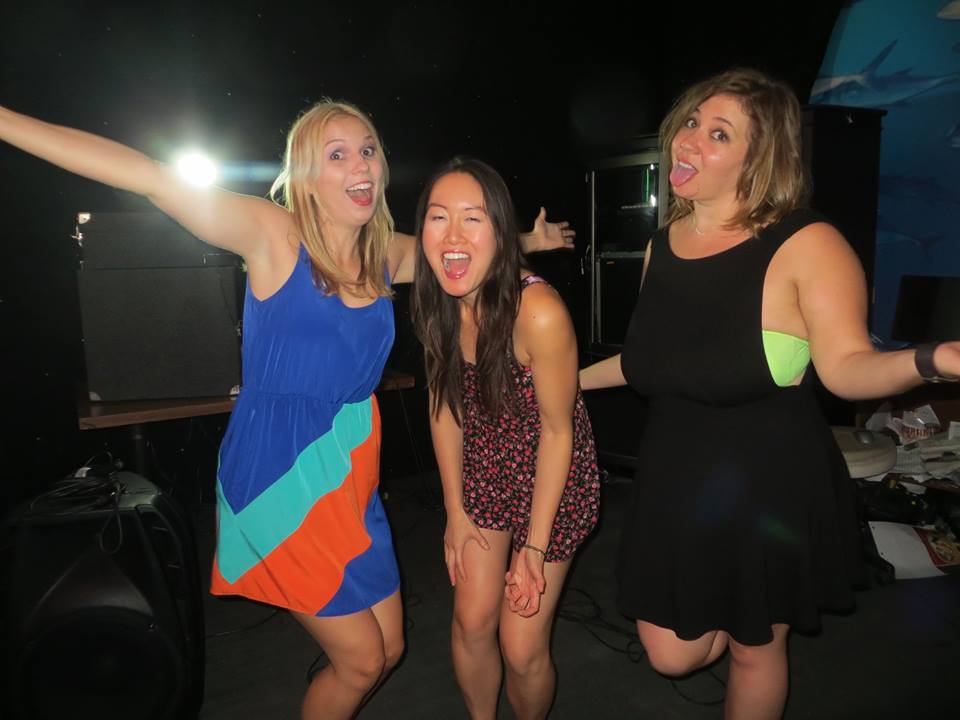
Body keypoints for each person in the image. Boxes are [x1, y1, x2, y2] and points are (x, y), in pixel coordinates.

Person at [0, 101, 573, 720]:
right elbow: (148, 176)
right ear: (305, 176)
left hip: (349, 475)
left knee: (389, 648)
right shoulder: (272, 234)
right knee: (361, 661)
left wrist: (529, 240)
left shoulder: (385, 252)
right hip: (279, 475)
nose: (360, 165)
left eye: (368, 150)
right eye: (337, 154)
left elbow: (458, 245)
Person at [579, 68, 960, 720]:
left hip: (767, 479)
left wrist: (931, 360)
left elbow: (847, 371)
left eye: (718, 133)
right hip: (675, 477)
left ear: (760, 157)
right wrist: (555, 382)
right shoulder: (661, 245)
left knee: (755, 646)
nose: (690, 140)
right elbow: (647, 361)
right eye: (692, 122)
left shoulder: (806, 243)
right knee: (671, 652)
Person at [410, 157, 601, 720]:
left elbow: (558, 431)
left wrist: (533, 549)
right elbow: (444, 407)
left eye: (472, 218)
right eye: (438, 217)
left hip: (552, 477)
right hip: (487, 468)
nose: (452, 235)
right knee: (471, 621)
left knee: (520, 647)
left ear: (499, 230)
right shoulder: (441, 301)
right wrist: (454, 511)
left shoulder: (537, 311)